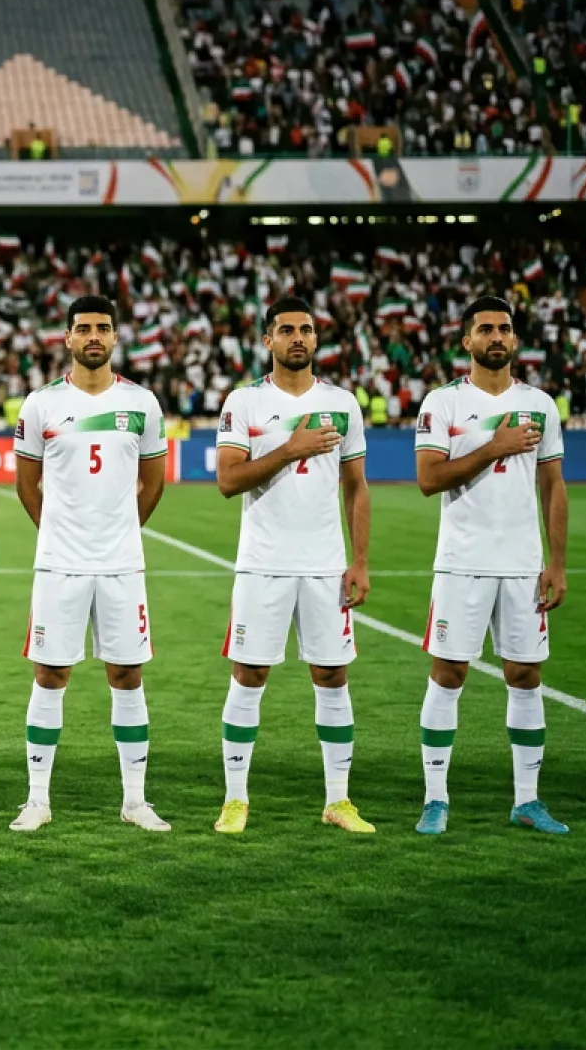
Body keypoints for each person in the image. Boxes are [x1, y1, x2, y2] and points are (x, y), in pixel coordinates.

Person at [212, 298, 374, 835]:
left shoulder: (343, 404)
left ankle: (338, 800)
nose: (298, 338)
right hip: (263, 564)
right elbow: (229, 480)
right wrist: (290, 447)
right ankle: (236, 800)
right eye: (286, 330)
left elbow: (356, 487)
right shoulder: (245, 402)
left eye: (306, 329)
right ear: (268, 340)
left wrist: (361, 561)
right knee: (250, 673)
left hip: (326, 565)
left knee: (332, 675)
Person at [11, 294, 169, 833]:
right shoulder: (40, 405)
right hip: (61, 564)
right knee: (50, 673)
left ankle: (135, 800)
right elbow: (26, 484)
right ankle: (37, 800)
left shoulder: (143, 403)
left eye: (103, 327)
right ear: (68, 338)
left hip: (122, 563)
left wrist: (120, 529)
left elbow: (153, 482)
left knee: (127, 674)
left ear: (116, 336)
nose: (93, 336)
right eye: (84, 328)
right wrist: (59, 532)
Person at [413, 296, 569, 836]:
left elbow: (553, 485)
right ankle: (436, 799)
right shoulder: (443, 404)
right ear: (467, 340)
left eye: (504, 328)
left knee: (526, 676)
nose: (496, 336)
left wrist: (557, 563)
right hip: (462, 564)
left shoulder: (542, 406)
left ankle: (527, 800)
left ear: (515, 339)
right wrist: (493, 446)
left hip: (524, 566)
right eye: (485, 329)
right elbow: (429, 479)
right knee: (449, 673)